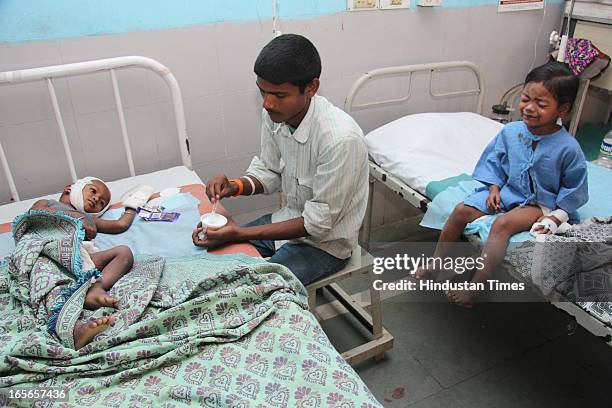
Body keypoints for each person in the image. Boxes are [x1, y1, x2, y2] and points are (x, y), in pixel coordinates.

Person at [192, 34, 369, 285]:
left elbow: (318, 225)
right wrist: (235, 186)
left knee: (246, 288)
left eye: (279, 94)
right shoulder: (277, 115)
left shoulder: (340, 140)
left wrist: (239, 233)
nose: (267, 103)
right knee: (214, 253)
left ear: (311, 88)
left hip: (325, 246)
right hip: (287, 220)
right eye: (262, 91)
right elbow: (269, 170)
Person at [416, 61, 588, 307]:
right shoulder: (511, 132)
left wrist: (557, 216)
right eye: (526, 98)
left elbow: (575, 188)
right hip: (509, 192)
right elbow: (494, 162)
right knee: (461, 210)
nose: (529, 108)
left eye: (540, 104)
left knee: (502, 224)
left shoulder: (568, 148)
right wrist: (494, 188)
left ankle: (474, 289)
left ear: (563, 109)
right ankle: (435, 265)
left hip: (541, 202)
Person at [31, 177, 146, 348]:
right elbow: (34, 217)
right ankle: (75, 331)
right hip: (48, 256)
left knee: (124, 253)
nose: (96, 199)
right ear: (69, 188)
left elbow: (120, 224)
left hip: (80, 259)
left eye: (102, 203)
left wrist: (133, 205)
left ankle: (97, 287)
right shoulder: (47, 204)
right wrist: (77, 219)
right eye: (93, 191)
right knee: (53, 289)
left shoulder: (88, 218)